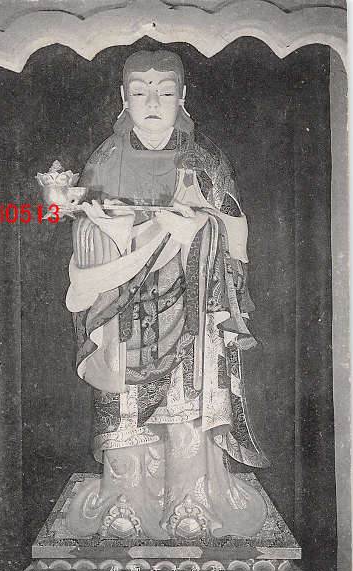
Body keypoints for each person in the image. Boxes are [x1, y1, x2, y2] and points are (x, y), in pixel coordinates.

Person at [63, 50, 269, 540]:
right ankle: (125, 499)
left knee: (186, 405)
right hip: (123, 305)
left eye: (165, 91)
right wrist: (117, 231)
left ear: (183, 96)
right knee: (125, 404)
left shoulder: (205, 162)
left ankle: (190, 500)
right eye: (140, 92)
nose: (152, 102)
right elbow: (85, 236)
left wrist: (197, 230)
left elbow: (232, 232)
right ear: (123, 97)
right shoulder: (105, 161)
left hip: (190, 300)